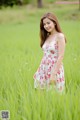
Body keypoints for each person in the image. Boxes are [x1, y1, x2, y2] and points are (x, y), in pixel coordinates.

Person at [33, 12, 66, 92]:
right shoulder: (47, 37)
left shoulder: (60, 36)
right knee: (42, 94)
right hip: (44, 68)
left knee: (55, 94)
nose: (46, 26)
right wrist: (38, 70)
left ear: (54, 22)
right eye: (44, 24)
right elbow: (45, 55)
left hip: (54, 69)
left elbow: (61, 56)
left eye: (48, 23)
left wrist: (53, 74)